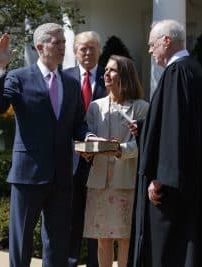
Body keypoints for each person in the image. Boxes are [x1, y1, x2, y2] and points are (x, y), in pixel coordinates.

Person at [0, 23, 93, 267]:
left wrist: (88, 137)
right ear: (39, 47)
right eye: (57, 43)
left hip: (62, 176)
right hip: (28, 175)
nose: (62, 48)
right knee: (21, 244)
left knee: (57, 246)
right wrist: (0, 68)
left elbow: (78, 123)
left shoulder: (71, 83)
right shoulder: (19, 78)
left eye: (64, 43)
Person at [127, 19, 202, 267]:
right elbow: (185, 125)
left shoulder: (176, 72)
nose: (149, 50)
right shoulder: (195, 70)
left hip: (173, 189)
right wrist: (146, 129)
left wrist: (161, 178)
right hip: (191, 178)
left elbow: (175, 129)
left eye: (151, 44)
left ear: (166, 41)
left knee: (168, 252)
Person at [83, 55, 148, 267]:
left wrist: (121, 150)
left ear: (125, 75)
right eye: (106, 70)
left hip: (126, 182)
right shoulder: (95, 107)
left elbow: (146, 145)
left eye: (112, 70)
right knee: (103, 239)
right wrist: (87, 150)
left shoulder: (141, 108)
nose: (106, 74)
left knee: (125, 239)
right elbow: (87, 137)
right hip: (99, 182)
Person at [63, 31, 106, 267]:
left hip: (101, 160)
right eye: (83, 48)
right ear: (75, 51)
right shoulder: (63, 78)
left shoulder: (110, 78)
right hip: (71, 159)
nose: (88, 52)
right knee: (72, 216)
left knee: (96, 217)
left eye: (92, 48)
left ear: (99, 50)